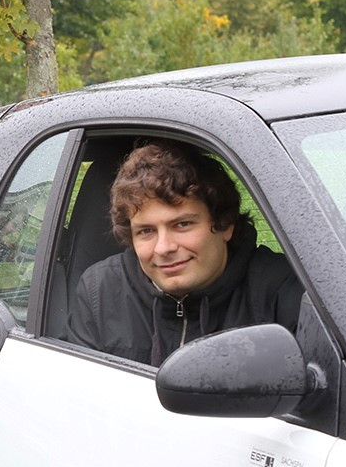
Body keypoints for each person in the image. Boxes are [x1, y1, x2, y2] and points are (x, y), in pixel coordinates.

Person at [68, 140, 301, 366]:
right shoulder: (100, 291)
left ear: (225, 225)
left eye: (182, 225)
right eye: (146, 231)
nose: (163, 248)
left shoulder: (282, 290)